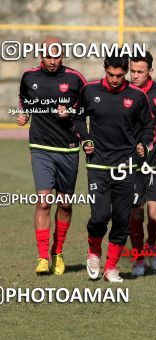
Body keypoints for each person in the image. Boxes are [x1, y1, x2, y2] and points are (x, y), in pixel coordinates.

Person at [73, 53, 155, 282]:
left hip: (126, 166)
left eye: (120, 75)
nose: (115, 79)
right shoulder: (89, 91)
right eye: (111, 75)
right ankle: (94, 253)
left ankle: (111, 267)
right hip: (98, 163)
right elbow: (77, 119)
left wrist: (143, 146)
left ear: (126, 72)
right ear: (105, 69)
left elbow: (150, 128)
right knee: (100, 216)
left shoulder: (137, 96)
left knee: (121, 219)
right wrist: (86, 138)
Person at [17, 37, 86, 275]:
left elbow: (86, 109)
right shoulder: (29, 77)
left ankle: (58, 252)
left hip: (68, 149)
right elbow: (24, 102)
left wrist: (71, 113)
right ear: (40, 56)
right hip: (41, 148)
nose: (53, 61)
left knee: (65, 204)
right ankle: (42, 256)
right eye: (48, 56)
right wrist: (23, 115)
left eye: (57, 56)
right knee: (44, 201)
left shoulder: (75, 79)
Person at [129, 51, 156, 276]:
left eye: (140, 72)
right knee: (135, 214)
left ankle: (152, 244)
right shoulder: (125, 92)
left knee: (155, 215)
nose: (135, 76)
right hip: (131, 163)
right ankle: (138, 258)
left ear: (150, 72)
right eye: (133, 71)